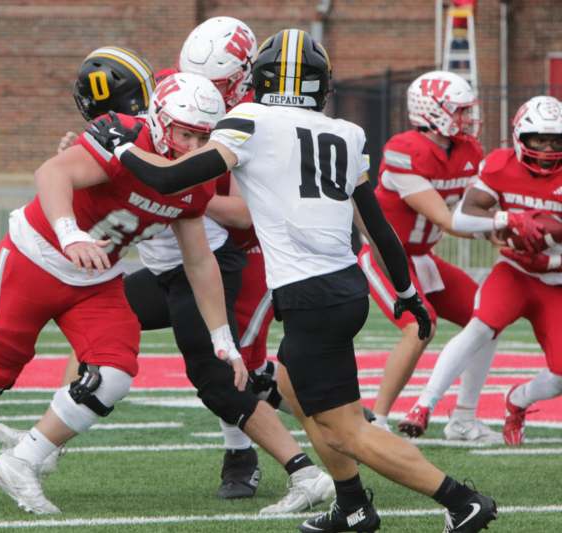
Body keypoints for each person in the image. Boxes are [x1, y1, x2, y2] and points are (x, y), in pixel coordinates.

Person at [87, 28, 497, 532]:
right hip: (341, 286)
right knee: (290, 386)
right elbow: (377, 228)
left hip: (311, 295)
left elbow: (172, 178)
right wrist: (407, 293)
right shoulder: (347, 132)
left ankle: (461, 500)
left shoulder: (249, 120)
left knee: (347, 429)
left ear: (261, 78)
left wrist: (120, 147)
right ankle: (352, 505)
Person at [0, 25, 337, 511]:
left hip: (211, 261)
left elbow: (225, 216)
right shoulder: (171, 93)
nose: (207, 96)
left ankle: (303, 470)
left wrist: (175, 191)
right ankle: (45, 445)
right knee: (98, 328)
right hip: (167, 264)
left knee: (222, 376)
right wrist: (100, 159)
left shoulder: (249, 119)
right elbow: (123, 151)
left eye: (220, 83)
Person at [0, 71, 250, 515]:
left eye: (203, 137)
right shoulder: (125, 135)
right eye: (185, 134)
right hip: (36, 256)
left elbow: (199, 260)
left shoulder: (196, 181)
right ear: (159, 121)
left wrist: (222, 338)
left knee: (114, 373)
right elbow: (53, 172)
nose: (193, 147)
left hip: (95, 278)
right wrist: (69, 232)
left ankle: (21, 461)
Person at [403, 95, 562, 446]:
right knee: (479, 328)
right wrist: (507, 219)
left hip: (556, 283)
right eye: (539, 140)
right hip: (515, 273)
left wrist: (550, 261)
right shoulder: (500, 165)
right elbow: (462, 216)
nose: (548, 149)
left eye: (555, 141)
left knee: (559, 377)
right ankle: (423, 405)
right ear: (521, 137)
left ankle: (518, 400)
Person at [355, 71, 499, 443]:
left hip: (423, 256)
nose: (467, 118)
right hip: (387, 257)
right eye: (460, 110)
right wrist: (505, 224)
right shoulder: (405, 149)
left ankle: (463, 417)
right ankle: (378, 421)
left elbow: (482, 206)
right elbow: (447, 220)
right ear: (433, 111)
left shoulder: (468, 151)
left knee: (488, 316)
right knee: (420, 326)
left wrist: (513, 233)